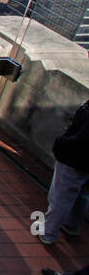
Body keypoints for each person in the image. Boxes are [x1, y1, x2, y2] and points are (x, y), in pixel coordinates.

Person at [39, 91, 89, 246]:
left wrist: (61, 143)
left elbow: (83, 140)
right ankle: (72, 225)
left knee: (60, 197)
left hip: (75, 159)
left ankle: (48, 232)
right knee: (82, 193)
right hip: (84, 162)